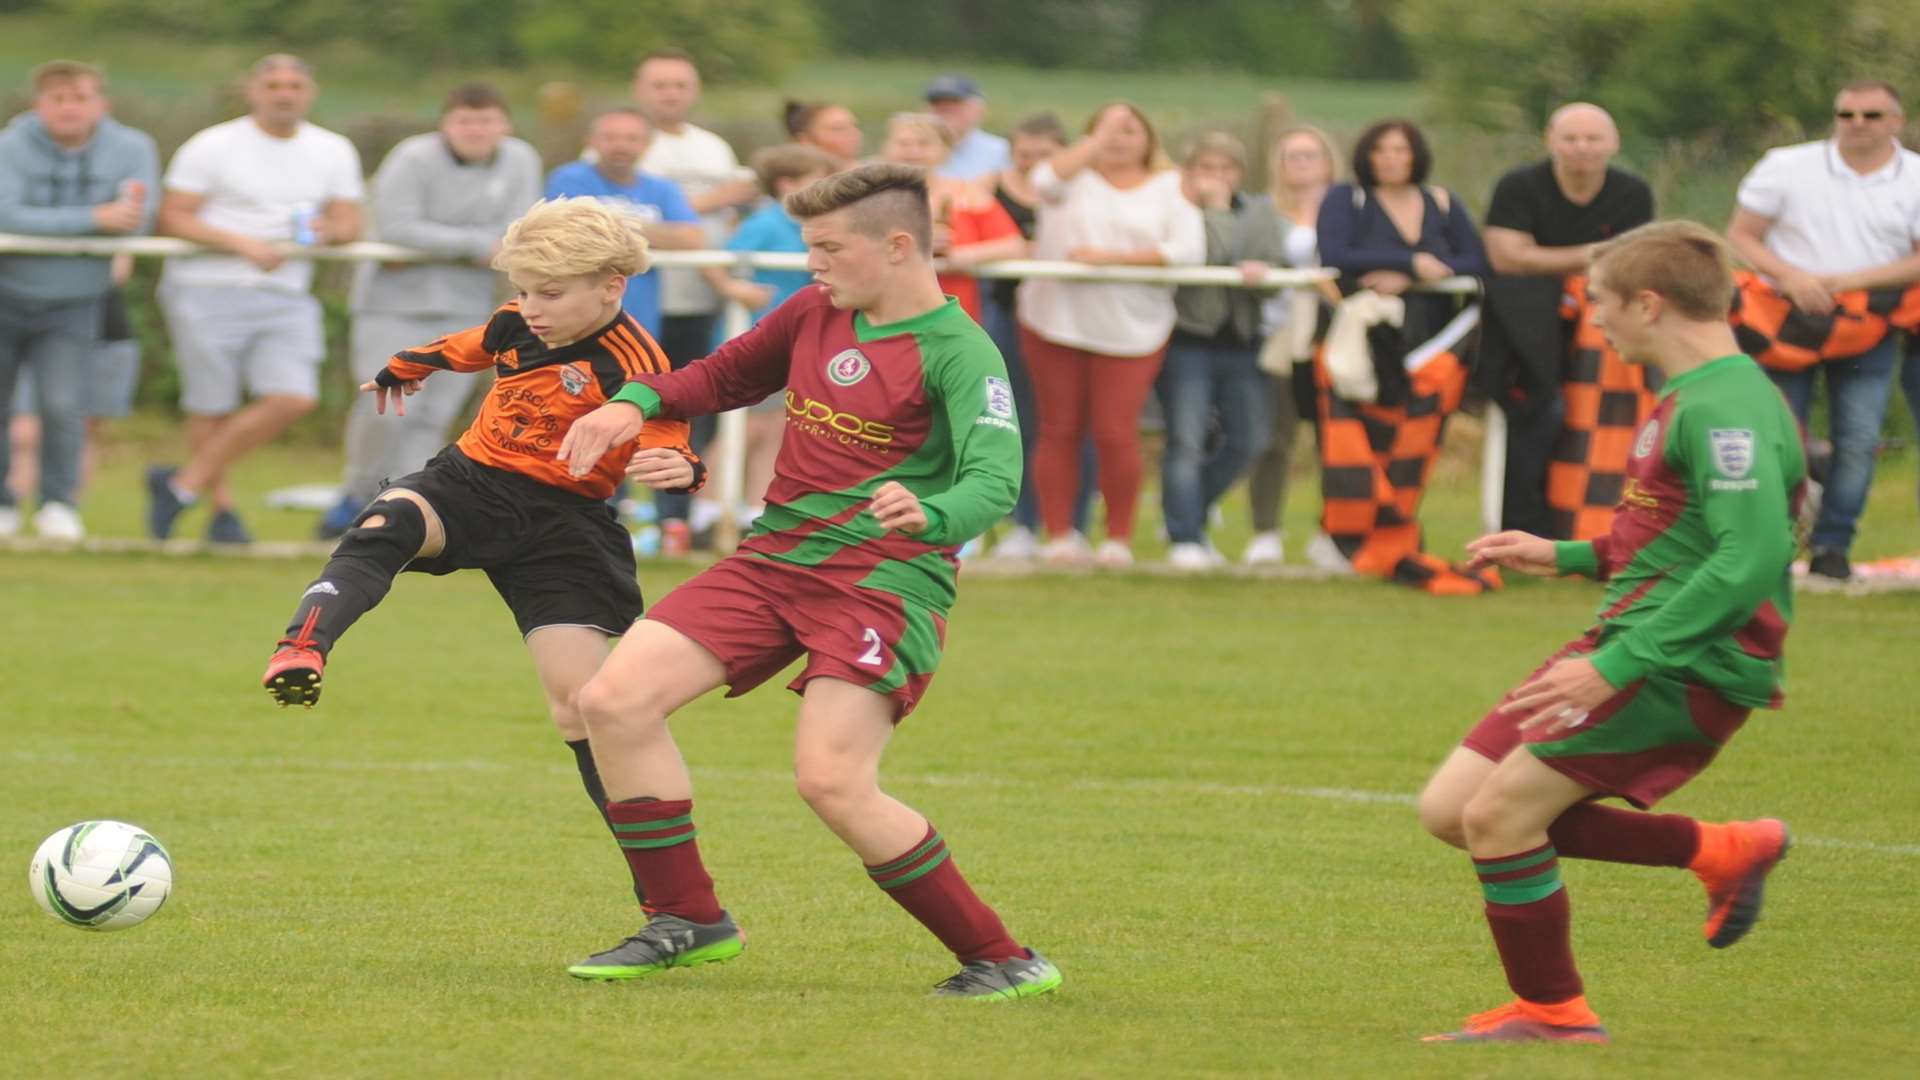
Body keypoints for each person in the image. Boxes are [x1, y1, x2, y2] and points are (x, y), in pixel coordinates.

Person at [552, 163, 1060, 1000]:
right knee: (611, 702)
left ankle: (1003, 957)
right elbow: (723, 375)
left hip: (885, 582)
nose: (810, 263)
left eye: (827, 247)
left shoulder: (963, 354)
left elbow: (994, 480)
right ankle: (689, 920)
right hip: (773, 560)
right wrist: (632, 401)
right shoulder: (815, 311)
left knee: (831, 780)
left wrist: (930, 514)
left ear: (898, 246)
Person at [1418, 222, 1803, 1044]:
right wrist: (1560, 553)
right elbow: (1678, 539)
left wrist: (1625, 661)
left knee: (1497, 821)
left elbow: (1753, 555)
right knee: (1453, 809)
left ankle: (1555, 1014)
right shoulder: (1690, 398)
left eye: (1599, 302)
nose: (1593, 319)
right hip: (1629, 641)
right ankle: (1721, 850)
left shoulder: (1728, 408)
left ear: (1649, 303)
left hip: (1680, 659)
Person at [260, 198, 703, 899]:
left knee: (585, 708)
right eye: (522, 290)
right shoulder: (516, 324)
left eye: (550, 293)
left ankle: (673, 896)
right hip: (471, 483)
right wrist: (402, 368)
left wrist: (682, 469)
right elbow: (463, 347)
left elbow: (668, 433)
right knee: (388, 521)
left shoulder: (636, 362)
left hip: (566, 528)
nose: (530, 308)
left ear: (611, 286)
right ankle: (303, 646)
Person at [149, 54, 364, 543]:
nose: (284, 93)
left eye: (294, 84)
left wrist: (327, 231)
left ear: (310, 92)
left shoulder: (333, 150)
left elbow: (350, 222)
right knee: (211, 404)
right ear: (252, 91)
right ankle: (221, 513)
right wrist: (241, 244)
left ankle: (181, 485)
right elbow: (173, 217)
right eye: (273, 85)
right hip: (206, 286)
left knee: (294, 396)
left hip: (287, 291)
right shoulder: (213, 145)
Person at [318, 82, 543, 539]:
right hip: (395, 304)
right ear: (446, 123)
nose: (475, 130)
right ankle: (354, 493)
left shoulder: (520, 159)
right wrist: (476, 243)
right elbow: (400, 227)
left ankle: (399, 506)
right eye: (465, 120)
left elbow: (519, 228)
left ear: (503, 124)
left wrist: (476, 244)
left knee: (432, 415)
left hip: (468, 305)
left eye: (486, 121)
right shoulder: (413, 157)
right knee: (380, 402)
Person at [1726, 79, 1920, 583]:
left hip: (1869, 326)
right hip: (1784, 323)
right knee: (1776, 439)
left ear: (1895, 122)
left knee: (1857, 439)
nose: (1857, 124)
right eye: (1846, 114)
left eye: (1871, 115)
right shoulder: (1786, 165)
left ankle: (1832, 549)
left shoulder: (1915, 179)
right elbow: (1742, 234)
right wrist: (1792, 278)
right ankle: (1770, 544)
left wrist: (1848, 282)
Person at [1017, 102, 1205, 568]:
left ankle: (1117, 538)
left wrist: (1109, 259)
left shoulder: (1170, 186)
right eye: (1108, 130)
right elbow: (1042, 181)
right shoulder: (1070, 180)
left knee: (1115, 432)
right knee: (1057, 428)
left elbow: (1185, 251)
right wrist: (1095, 142)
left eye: (1129, 130)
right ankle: (1059, 535)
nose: (1118, 139)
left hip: (1133, 328)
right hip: (1055, 321)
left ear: (1148, 138)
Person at [1313, 118, 1492, 593]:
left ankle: (1396, 534)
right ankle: (1339, 535)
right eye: (1382, 150)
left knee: (1414, 440)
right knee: (1360, 437)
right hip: (1369, 340)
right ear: (1367, 156)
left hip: (1431, 341)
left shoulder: (1442, 202)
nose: (1391, 158)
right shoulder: (1345, 200)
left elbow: (1476, 259)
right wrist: (1409, 262)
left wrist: (1421, 277)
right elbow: (1334, 253)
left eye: (1401, 149)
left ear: (1416, 155)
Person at [1481, 103, 1656, 540]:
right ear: (1550, 140)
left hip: (1603, 332)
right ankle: (1522, 532)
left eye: (1593, 138)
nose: (1582, 148)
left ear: (1612, 144)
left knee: (1607, 423)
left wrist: (1541, 258)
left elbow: (1638, 259)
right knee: (1540, 414)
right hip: (1524, 330)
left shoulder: (1633, 192)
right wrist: (1597, 253)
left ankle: (1598, 530)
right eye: (1571, 138)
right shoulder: (1518, 187)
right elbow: (1505, 257)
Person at [0, 60, 157, 541]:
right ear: (38, 105)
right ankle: (4, 505)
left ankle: (58, 505)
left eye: (80, 98)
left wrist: (58, 221)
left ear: (101, 105)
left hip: (76, 299)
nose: (68, 108)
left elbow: (138, 218)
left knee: (63, 405)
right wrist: (93, 217)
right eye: (58, 99)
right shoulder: (10, 144)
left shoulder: (133, 148)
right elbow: (5, 213)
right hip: (6, 294)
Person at [633, 49, 761, 551]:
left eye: (680, 85)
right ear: (640, 90)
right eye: (660, 84)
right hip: (638, 297)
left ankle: (677, 520)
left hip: (701, 297)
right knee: (627, 403)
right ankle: (626, 513)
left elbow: (727, 221)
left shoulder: (713, 148)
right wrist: (704, 206)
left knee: (690, 411)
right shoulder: (627, 145)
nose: (670, 94)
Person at [1157, 131, 1292, 569]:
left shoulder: (1261, 212)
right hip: (1187, 341)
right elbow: (1210, 252)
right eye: (1206, 169)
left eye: (1225, 169)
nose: (1216, 178)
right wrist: (1213, 209)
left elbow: (1278, 265)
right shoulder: (1174, 211)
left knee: (1251, 439)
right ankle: (1186, 537)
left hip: (1243, 341)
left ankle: (1186, 509)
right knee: (1186, 439)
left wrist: (1267, 271)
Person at [697, 143, 835, 511]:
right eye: (816, 181)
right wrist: (734, 287)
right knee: (742, 429)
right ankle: (708, 511)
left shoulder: (808, 226)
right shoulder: (765, 222)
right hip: (752, 338)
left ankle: (754, 511)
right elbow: (717, 260)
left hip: (792, 342)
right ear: (788, 184)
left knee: (776, 428)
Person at [982, 112, 1084, 559]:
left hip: (1067, 315)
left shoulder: (1078, 190)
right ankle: (1021, 522)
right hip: (1006, 312)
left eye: (1044, 155)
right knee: (1015, 419)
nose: (1032, 163)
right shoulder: (989, 186)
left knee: (1066, 423)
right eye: (1024, 154)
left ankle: (1072, 525)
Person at [1243, 125, 1339, 566]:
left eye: (1309, 154)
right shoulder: (1263, 211)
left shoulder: (1348, 207)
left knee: (1335, 439)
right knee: (1274, 437)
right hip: (1279, 337)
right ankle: (1266, 531)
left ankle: (1333, 531)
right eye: (1291, 155)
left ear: (1327, 159)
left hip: (1335, 336)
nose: (1300, 163)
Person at [544, 108, 705, 340]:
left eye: (632, 139)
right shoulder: (569, 179)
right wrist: (652, 234)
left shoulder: (662, 188)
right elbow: (570, 231)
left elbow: (692, 238)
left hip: (640, 320)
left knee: (637, 376)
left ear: (648, 144)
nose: (621, 146)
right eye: (610, 137)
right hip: (578, 319)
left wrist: (610, 225)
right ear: (591, 142)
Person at [878, 112, 1025, 323]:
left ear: (944, 151)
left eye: (924, 144)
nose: (913, 152)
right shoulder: (868, 196)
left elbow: (1014, 245)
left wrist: (961, 255)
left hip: (951, 313)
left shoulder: (968, 194)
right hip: (885, 310)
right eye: (904, 143)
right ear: (888, 148)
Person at [923, 74, 1010, 182]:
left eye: (956, 102)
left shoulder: (1003, 152)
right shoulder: (907, 149)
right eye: (937, 103)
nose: (946, 109)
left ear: (979, 109)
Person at [783, 99, 863, 171]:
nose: (853, 133)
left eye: (854, 126)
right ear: (804, 140)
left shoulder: (866, 172)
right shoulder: (795, 184)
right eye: (838, 128)